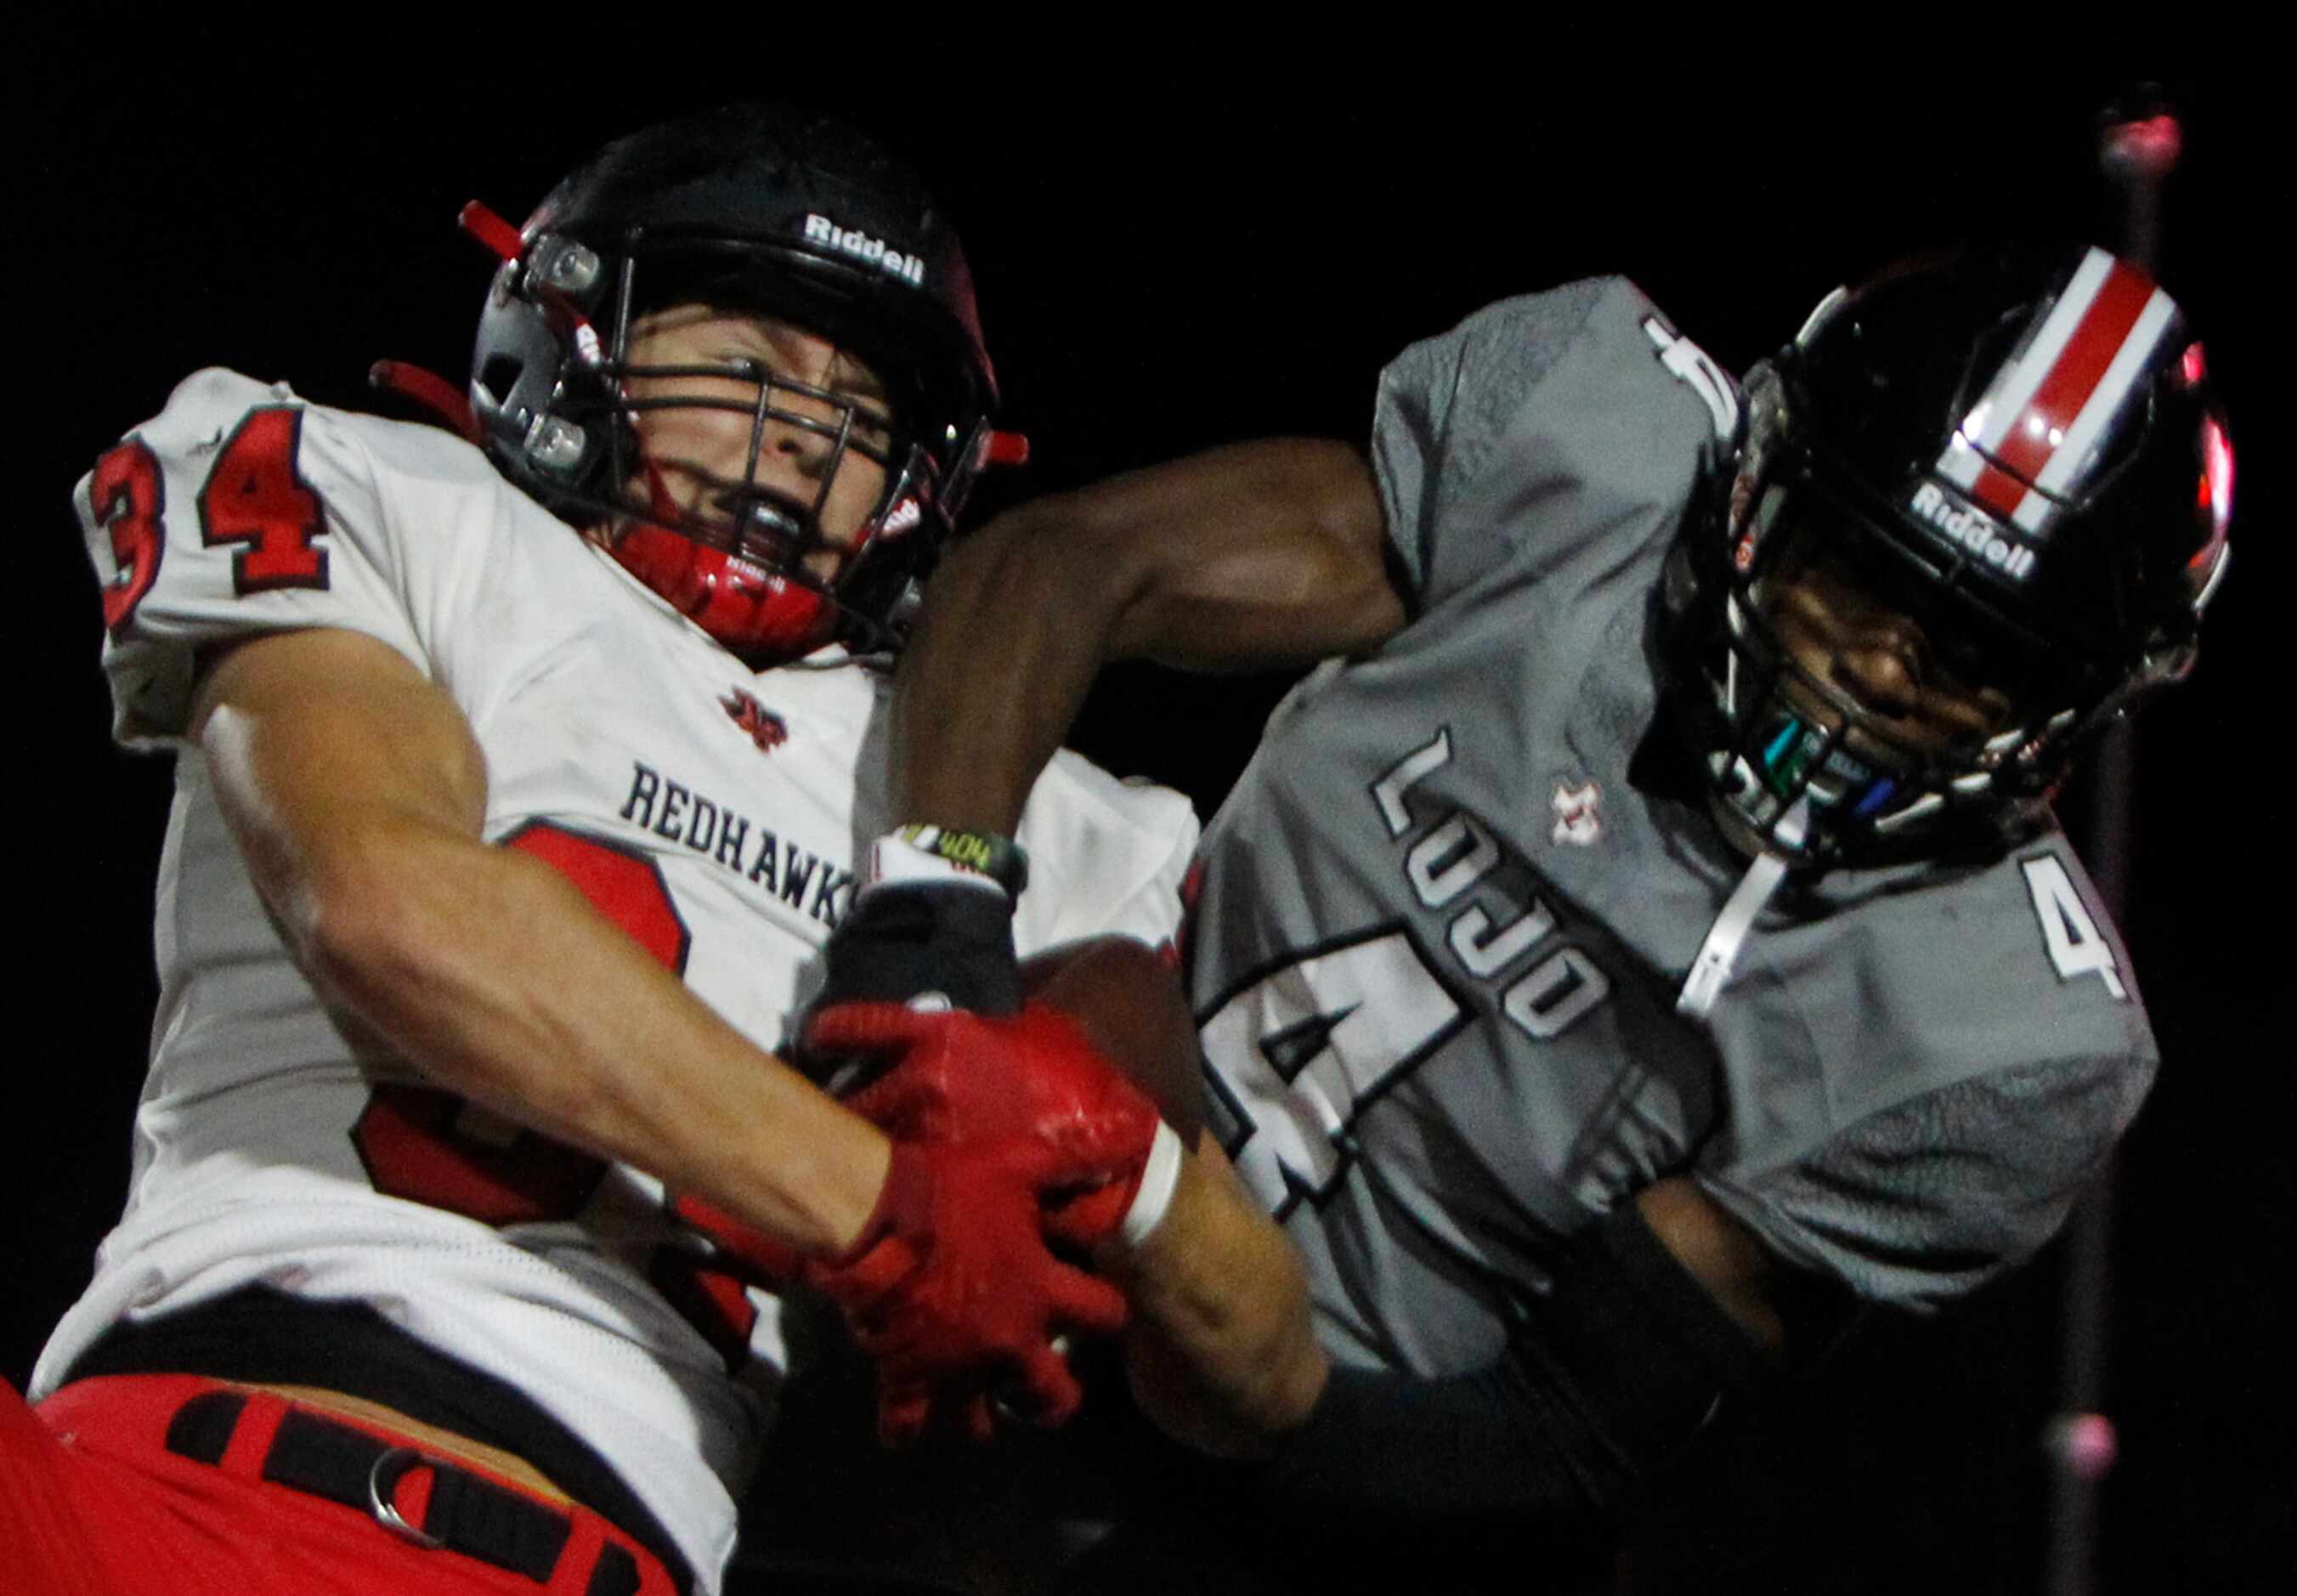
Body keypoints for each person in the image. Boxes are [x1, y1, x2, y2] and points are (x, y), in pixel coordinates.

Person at [809, 243, 2235, 1583]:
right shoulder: (1597, 458)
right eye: (1853, 569)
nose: (1875, 668)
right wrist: (927, 936)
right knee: (1075, 1008)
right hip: (1066, 1161)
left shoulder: (1992, 1030)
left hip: (1366, 1483)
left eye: (1977, 652)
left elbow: (1561, 1428)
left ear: (2090, 697)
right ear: (1756, 472)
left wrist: (1248, 1405)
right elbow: (1070, 564)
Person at [3, 104, 1202, 1596]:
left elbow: (1263, 1349)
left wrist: (1139, 1177)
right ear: (576, 338)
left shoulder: (999, 788)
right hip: (159, 1477)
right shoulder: (409, 512)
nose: (803, 446)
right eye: (750, 366)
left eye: (860, 416)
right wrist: (886, 1208)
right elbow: (388, 899)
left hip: (594, 1539)